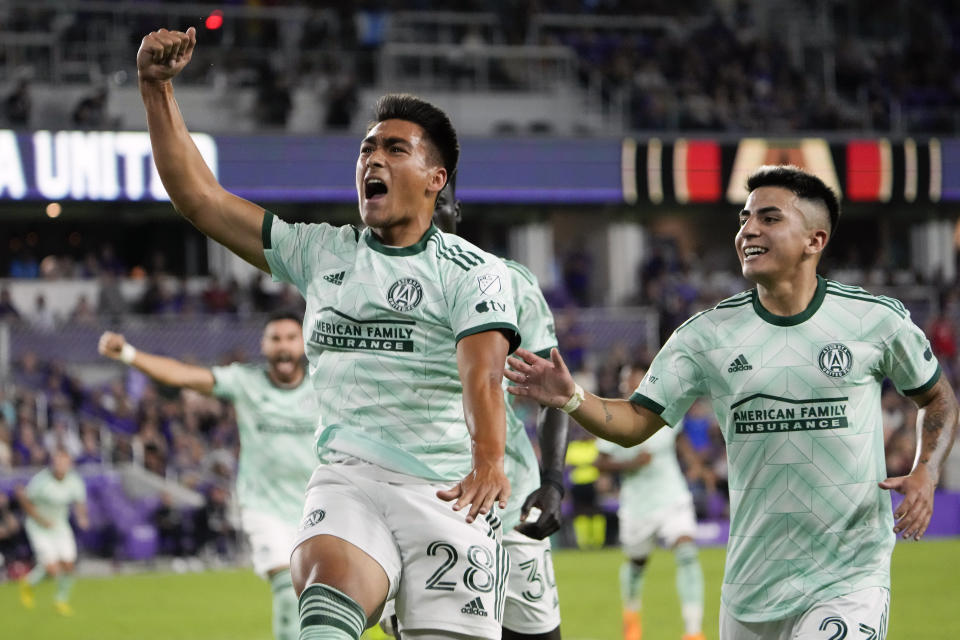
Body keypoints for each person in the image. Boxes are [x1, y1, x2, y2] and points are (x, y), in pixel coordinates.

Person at [137, 27, 519, 640]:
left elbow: (483, 372)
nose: (373, 158)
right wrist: (156, 90)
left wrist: (489, 460)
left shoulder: (475, 272)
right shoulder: (319, 251)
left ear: (435, 179)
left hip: (449, 492)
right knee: (324, 610)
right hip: (350, 478)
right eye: (367, 149)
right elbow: (201, 199)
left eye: (395, 149)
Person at [506, 165, 959, 640]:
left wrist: (927, 469)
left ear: (815, 240)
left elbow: (938, 399)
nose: (748, 231)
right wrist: (572, 397)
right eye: (744, 219)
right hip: (751, 588)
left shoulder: (874, 321)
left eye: (769, 218)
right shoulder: (707, 335)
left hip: (848, 578)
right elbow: (637, 419)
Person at [98, 311, 317, 640]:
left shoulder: (323, 384)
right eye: (275, 339)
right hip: (265, 506)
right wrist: (129, 354)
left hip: (317, 506)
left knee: (325, 599)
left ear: (303, 342)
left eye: (290, 338)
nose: (283, 346)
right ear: (264, 345)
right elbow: (184, 375)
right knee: (288, 591)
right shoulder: (246, 381)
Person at [433, 179, 567, 640]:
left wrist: (551, 482)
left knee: (537, 635)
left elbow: (553, 392)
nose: (430, 216)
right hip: (418, 498)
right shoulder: (368, 280)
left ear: (457, 211)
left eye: (440, 204)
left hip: (507, 497)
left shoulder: (508, 282)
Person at [595, 361, 705, 640]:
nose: (632, 384)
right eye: (628, 379)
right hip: (637, 505)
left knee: (687, 554)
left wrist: (697, 466)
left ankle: (693, 631)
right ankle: (631, 615)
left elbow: (680, 441)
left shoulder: (666, 409)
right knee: (636, 563)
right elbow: (601, 462)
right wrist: (631, 464)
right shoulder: (612, 416)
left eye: (637, 378)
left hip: (673, 495)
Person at [16, 449, 89, 616]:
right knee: (52, 568)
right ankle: (28, 583)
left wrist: (82, 517)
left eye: (64, 463)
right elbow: (26, 501)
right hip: (38, 526)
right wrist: (41, 520)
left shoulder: (74, 481)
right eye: (58, 462)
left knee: (69, 565)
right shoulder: (41, 481)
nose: (61, 466)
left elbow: (79, 502)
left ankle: (60, 601)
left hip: (60, 526)